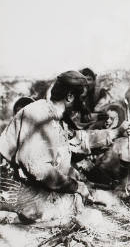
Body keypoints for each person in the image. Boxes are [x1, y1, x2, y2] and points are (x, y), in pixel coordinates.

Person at [0, 71, 122, 222]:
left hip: (28, 182)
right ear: (70, 96)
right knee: (69, 207)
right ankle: (9, 216)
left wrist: (117, 132)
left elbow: (79, 139)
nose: (83, 105)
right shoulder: (38, 114)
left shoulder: (58, 119)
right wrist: (77, 187)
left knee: (76, 198)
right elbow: (39, 169)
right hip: (9, 184)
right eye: (82, 98)